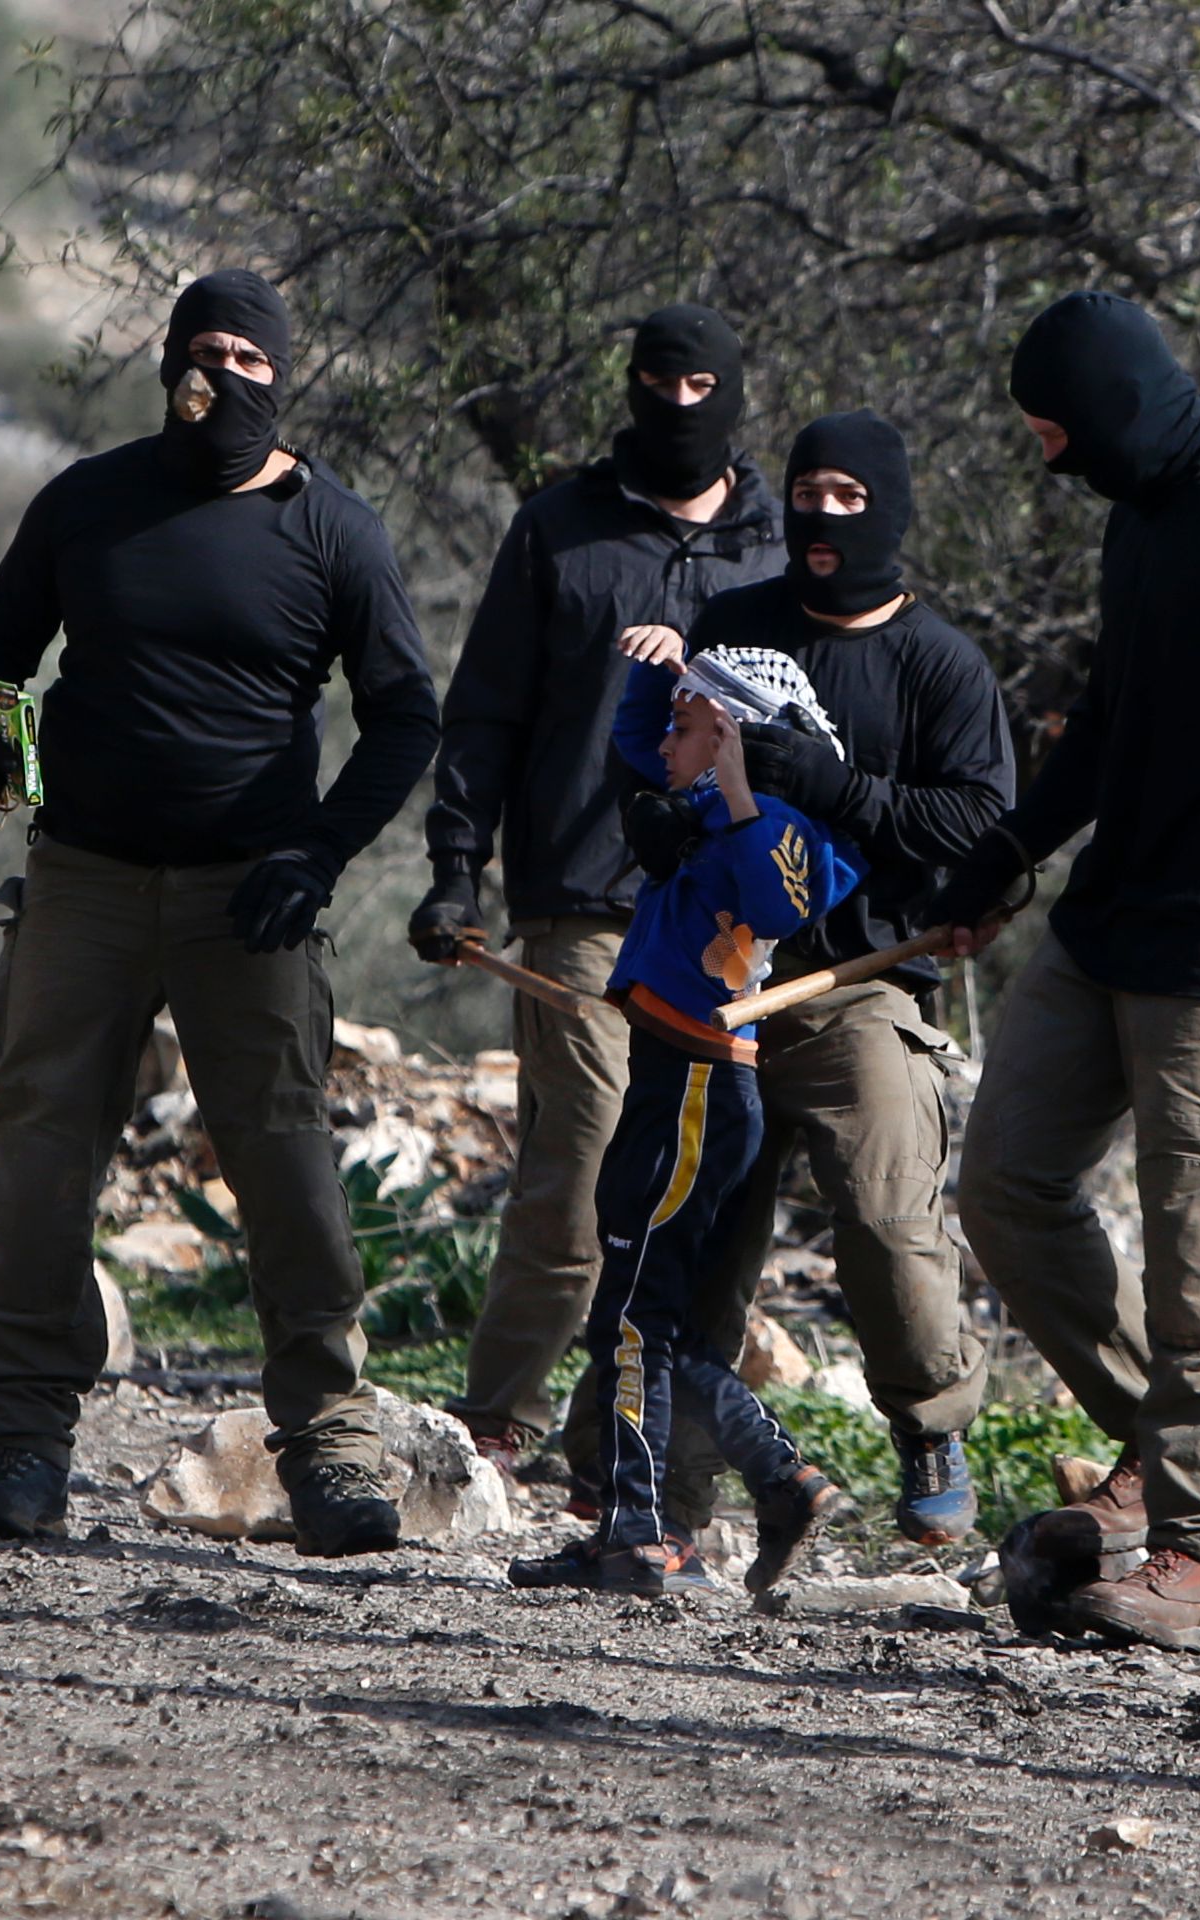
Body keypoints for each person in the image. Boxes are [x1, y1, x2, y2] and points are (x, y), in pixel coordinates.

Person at [0, 269, 440, 1555]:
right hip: (85, 880)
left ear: (283, 377)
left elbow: (406, 718)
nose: (220, 376)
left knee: (281, 1153)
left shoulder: (335, 531)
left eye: (247, 357)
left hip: (252, 897)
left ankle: (330, 1449)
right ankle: (24, 1444)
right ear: (170, 365)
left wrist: (318, 853)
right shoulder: (89, 502)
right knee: (44, 1142)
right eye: (201, 352)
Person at [935, 290, 1200, 1652]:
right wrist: (1009, 848)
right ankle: (1162, 1448)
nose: (1057, 464)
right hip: (1110, 914)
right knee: (1004, 1181)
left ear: (1115, 409)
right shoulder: (1144, 518)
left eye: (1061, 436)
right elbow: (1111, 718)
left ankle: (1192, 1552)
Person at [599, 410, 1017, 1545]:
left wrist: (839, 789)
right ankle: (667, 1510)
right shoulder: (737, 624)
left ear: (888, 507)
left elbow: (982, 822)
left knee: (885, 1211)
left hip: (857, 982)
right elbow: (670, 745)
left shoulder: (941, 664)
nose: (823, 516)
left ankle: (931, 1425)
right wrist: (658, 823)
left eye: (847, 496)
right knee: (691, 1246)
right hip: (716, 986)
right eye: (807, 493)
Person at [413, 304, 781, 1468]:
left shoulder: (777, 547)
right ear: (630, 387)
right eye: (656, 383)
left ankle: (623, 1438)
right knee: (578, 1174)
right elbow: (484, 714)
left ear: (733, 395)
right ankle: (496, 1422)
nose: (678, 406)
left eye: (700, 387)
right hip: (577, 905)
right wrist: (455, 869)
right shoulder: (559, 530)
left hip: (728, 920)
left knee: (703, 1192)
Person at [508, 650, 862, 1595]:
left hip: (702, 1088)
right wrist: (649, 671)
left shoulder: (777, 823)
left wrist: (744, 783)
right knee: (648, 1317)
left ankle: (638, 1534)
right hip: (669, 1080)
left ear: (733, 736)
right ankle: (777, 1480)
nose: (663, 742)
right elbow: (637, 744)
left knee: (630, 1318)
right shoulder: (700, 807)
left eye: (685, 725)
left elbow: (785, 900)